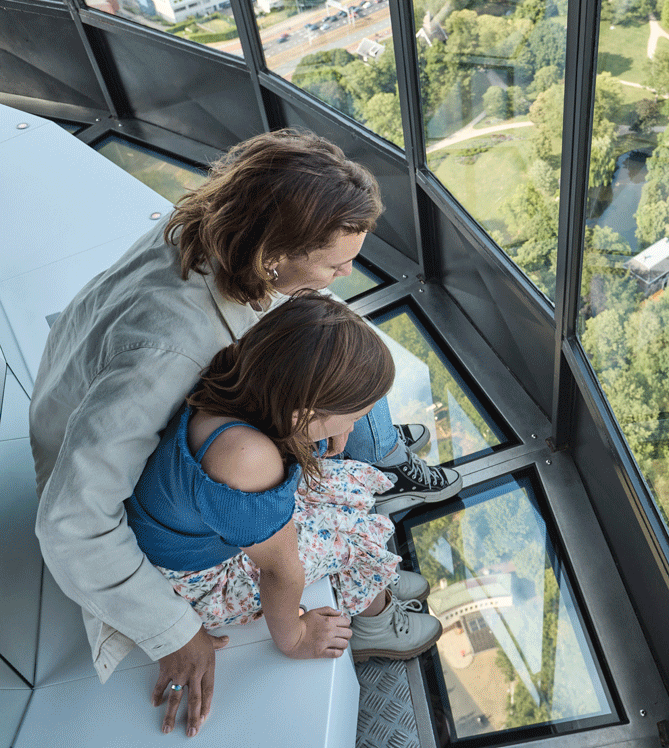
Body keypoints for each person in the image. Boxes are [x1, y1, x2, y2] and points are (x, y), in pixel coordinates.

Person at [30, 130, 459, 738]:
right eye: (334, 262)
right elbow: (72, 520)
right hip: (114, 466)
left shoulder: (220, 227)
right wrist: (172, 632)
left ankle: (374, 494)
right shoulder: (168, 350)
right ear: (273, 255)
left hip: (150, 417)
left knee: (343, 351)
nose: (345, 274)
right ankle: (370, 598)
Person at [126, 292, 442, 671]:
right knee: (351, 539)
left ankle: (372, 585)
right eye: (353, 416)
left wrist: (327, 429)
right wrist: (294, 638)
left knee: (339, 490)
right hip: (195, 581)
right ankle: (376, 624)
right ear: (305, 413)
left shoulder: (239, 375)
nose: (353, 427)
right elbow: (280, 571)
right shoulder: (248, 458)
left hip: (195, 532)